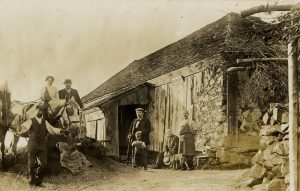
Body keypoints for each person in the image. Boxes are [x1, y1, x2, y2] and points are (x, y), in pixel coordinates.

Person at [19, 103, 68, 187]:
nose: (40, 111)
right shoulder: (30, 120)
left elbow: (52, 129)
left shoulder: (45, 122)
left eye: (42, 110)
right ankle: (32, 180)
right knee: (31, 163)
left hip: (42, 145)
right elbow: (23, 128)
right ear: (36, 110)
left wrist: (62, 131)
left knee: (44, 164)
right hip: (32, 144)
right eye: (39, 109)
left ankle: (39, 181)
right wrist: (22, 129)